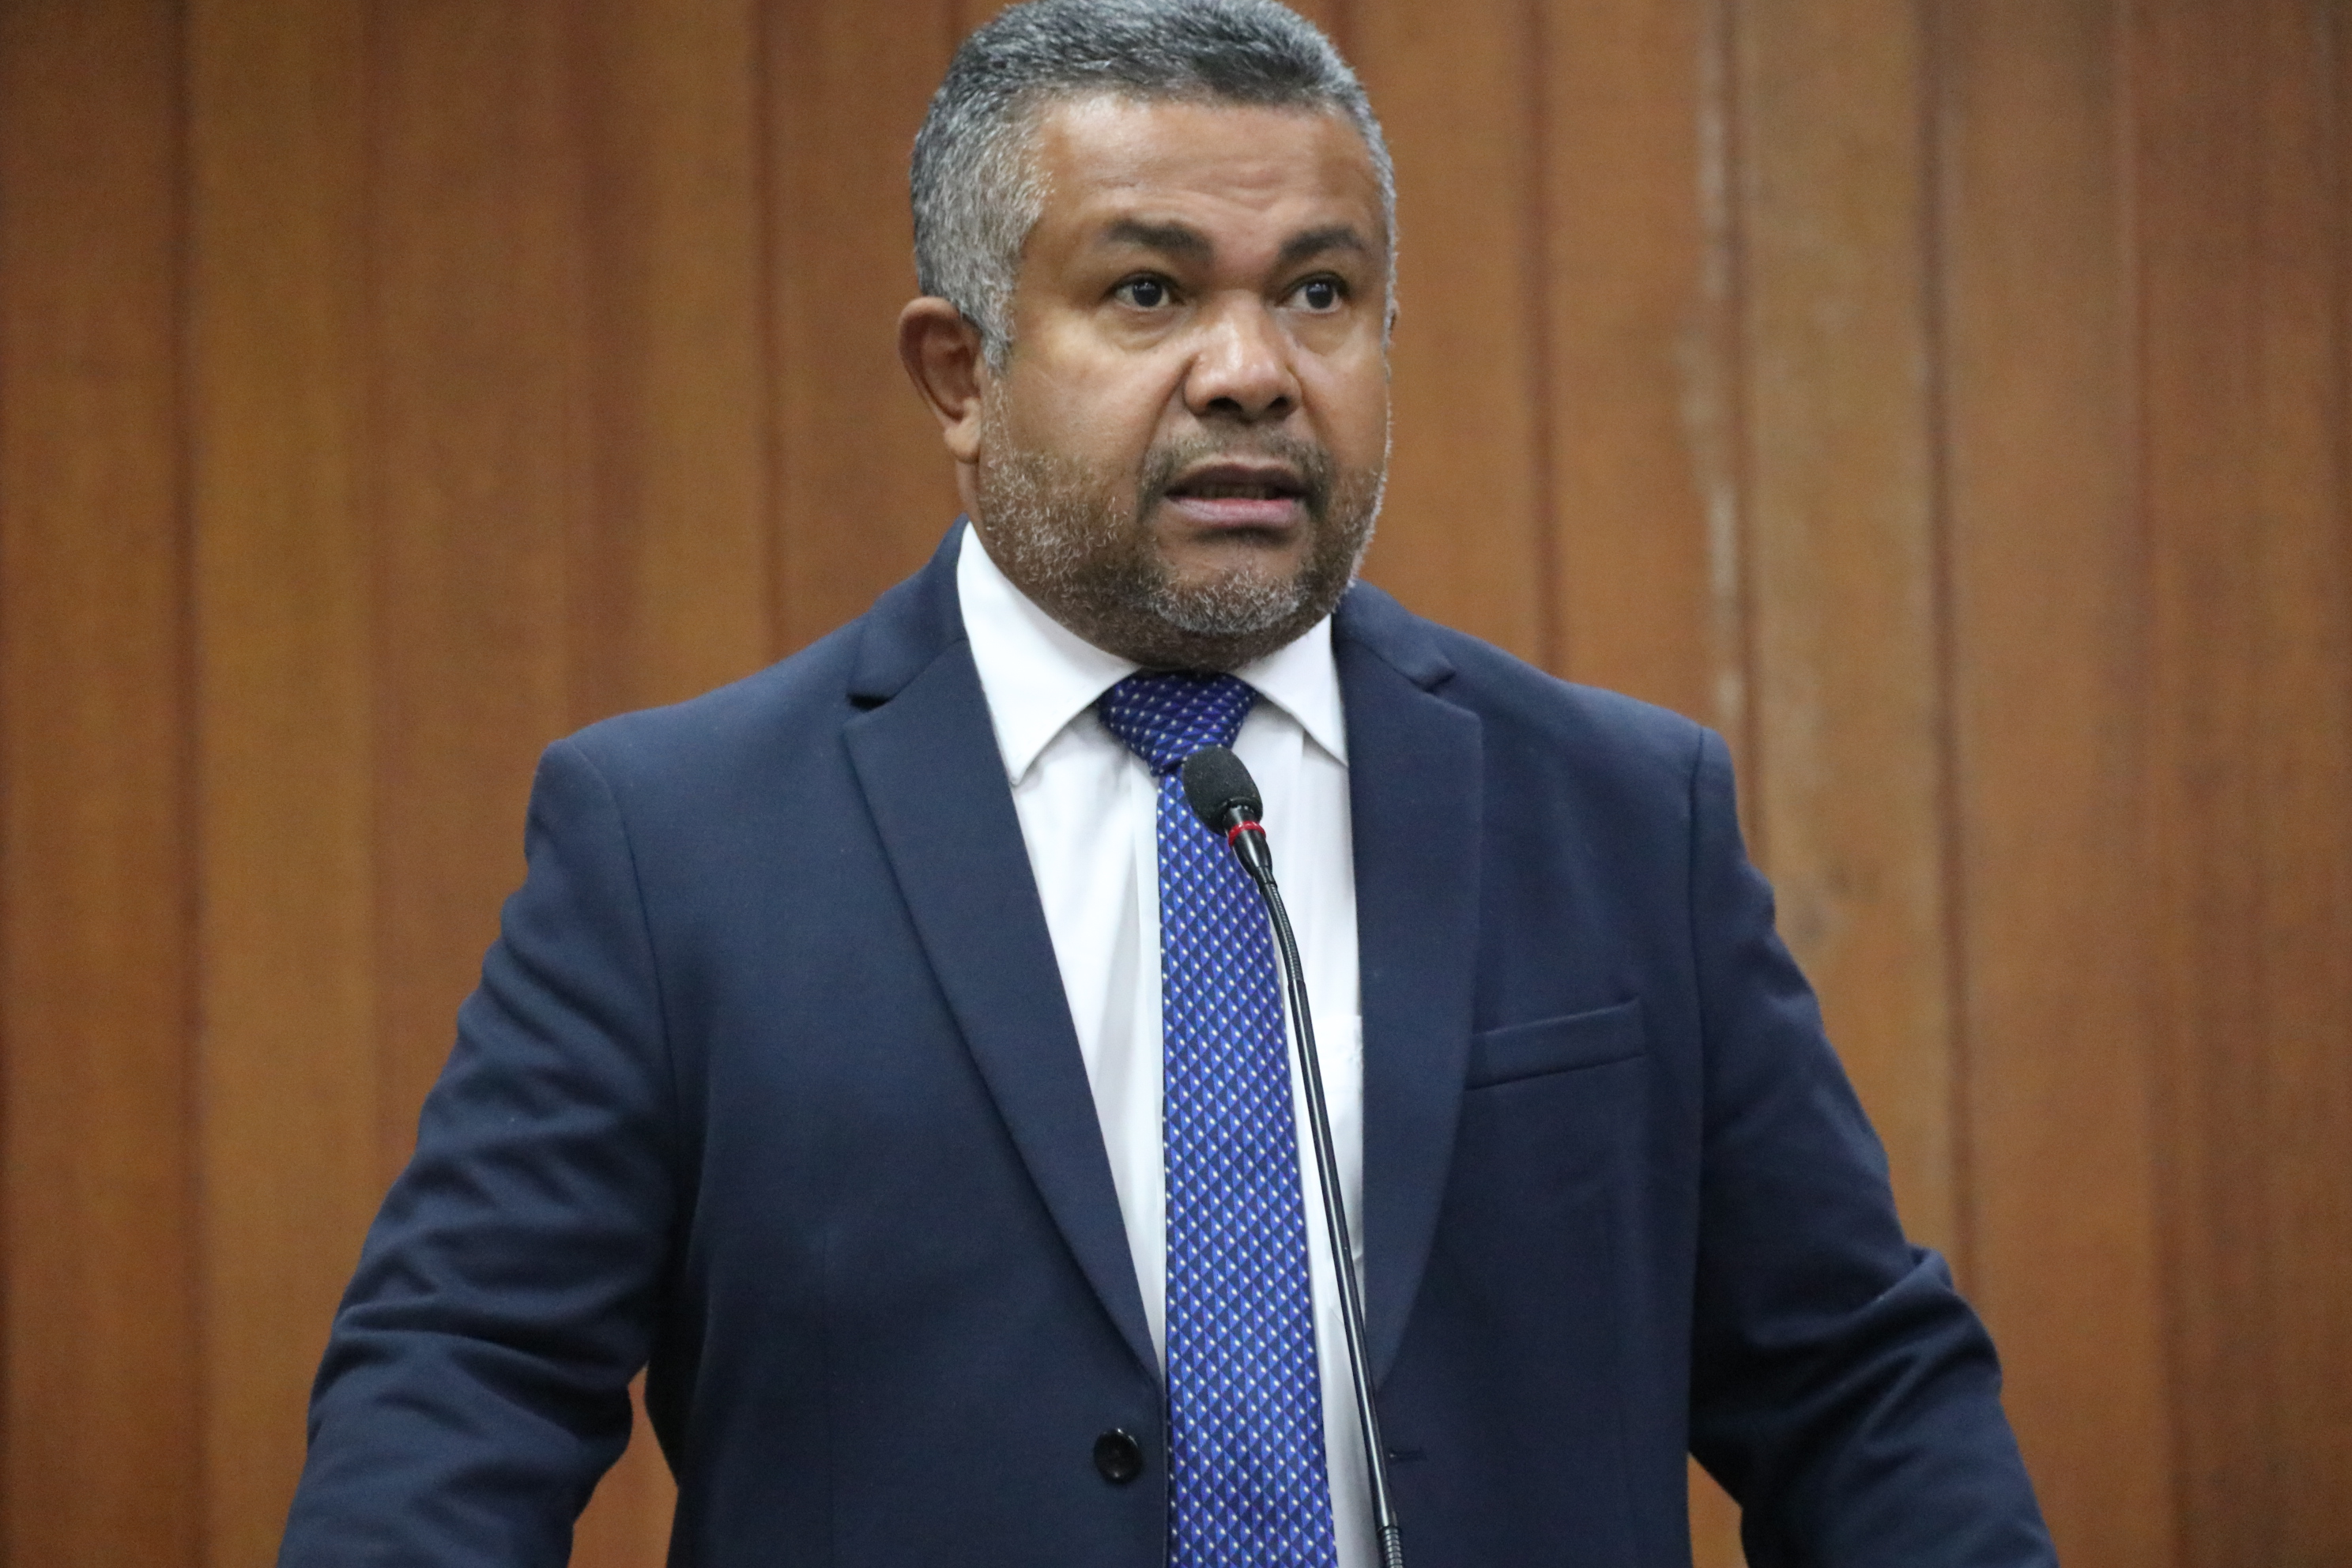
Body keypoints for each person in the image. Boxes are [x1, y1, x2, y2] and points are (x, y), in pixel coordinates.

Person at [279, 2, 2056, 1564]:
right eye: (1150, 291)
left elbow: (1853, 1386)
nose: (1253, 372)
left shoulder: (1616, 813)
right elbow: (464, 1384)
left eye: (1320, 294)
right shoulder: (677, 844)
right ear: (961, 373)